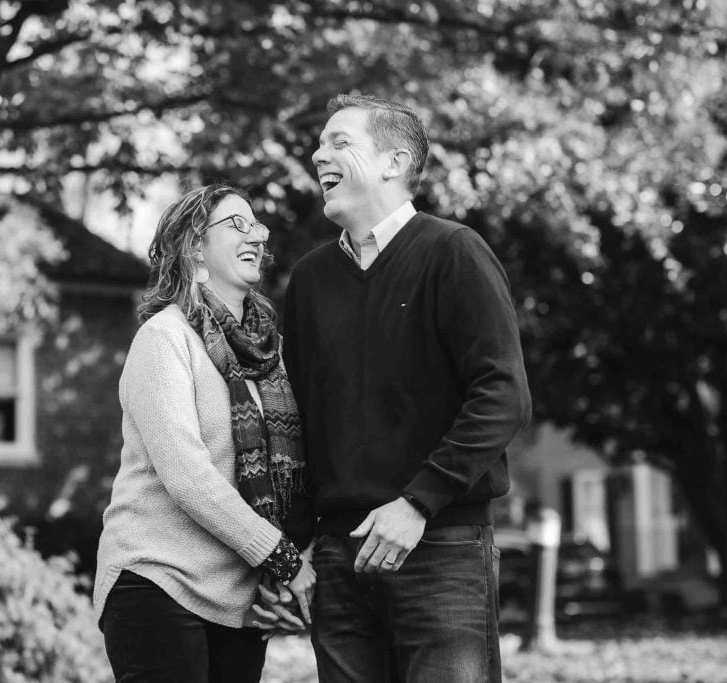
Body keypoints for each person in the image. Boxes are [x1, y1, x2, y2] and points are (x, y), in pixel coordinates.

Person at [282, 94, 532, 682]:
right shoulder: (311, 279)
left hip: (441, 549)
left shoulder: (454, 252)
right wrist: (298, 543)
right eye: (319, 144)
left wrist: (418, 503)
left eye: (339, 142)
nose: (319, 154)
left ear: (394, 162)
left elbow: (504, 394)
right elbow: (296, 421)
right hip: (339, 557)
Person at [94, 184, 315, 682]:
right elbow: (188, 476)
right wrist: (283, 560)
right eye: (237, 224)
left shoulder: (269, 355)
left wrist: (282, 567)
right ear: (194, 245)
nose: (256, 234)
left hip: (239, 600)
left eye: (257, 225)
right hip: (159, 582)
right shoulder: (165, 339)